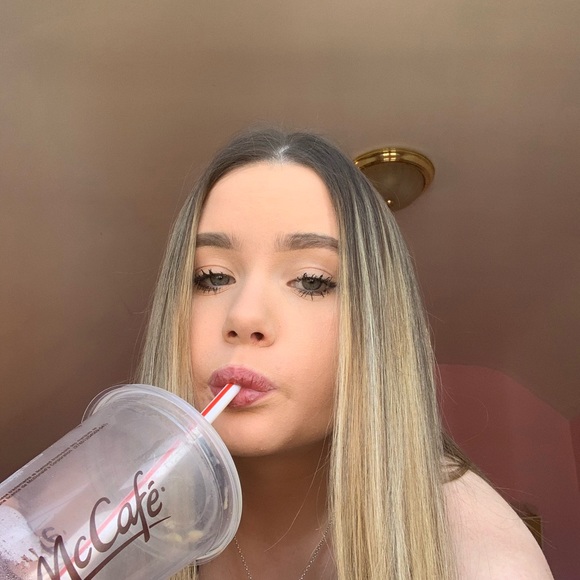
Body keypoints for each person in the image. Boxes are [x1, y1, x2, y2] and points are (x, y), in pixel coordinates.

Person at [138, 128, 553, 579]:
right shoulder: (117, 528)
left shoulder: (486, 562)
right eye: (213, 277)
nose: (244, 315)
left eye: (311, 280)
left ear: (376, 323)